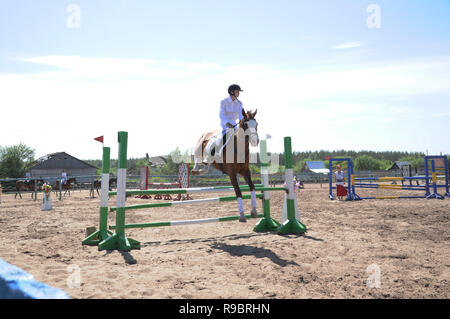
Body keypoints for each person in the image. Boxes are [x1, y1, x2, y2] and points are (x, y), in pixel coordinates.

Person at [192, 84, 244, 173]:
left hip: (235, 126)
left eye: (238, 91)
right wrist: (227, 123)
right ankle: (207, 160)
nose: (238, 93)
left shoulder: (239, 103)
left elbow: (240, 115)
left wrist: (242, 122)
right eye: (237, 91)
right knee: (220, 139)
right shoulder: (223, 102)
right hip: (224, 125)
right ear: (232, 92)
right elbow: (221, 115)